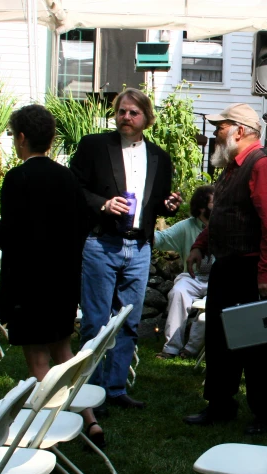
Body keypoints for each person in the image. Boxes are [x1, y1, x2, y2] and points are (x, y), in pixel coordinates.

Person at [0, 104, 102, 445]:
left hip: (28, 284)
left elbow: (11, 233)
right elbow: (83, 224)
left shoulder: (18, 178)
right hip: (63, 280)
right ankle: (91, 420)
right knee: (63, 352)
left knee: (39, 360)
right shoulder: (67, 178)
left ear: (22, 138)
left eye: (13, 137)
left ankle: (49, 431)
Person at [72, 88, 183, 410]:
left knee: (128, 322)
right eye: (122, 111)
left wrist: (170, 204)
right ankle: (90, 393)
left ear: (146, 118)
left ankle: (116, 389)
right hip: (101, 244)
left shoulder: (159, 157)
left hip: (139, 247)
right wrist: (103, 204)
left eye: (134, 112)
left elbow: (160, 204)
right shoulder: (94, 146)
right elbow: (74, 187)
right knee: (94, 321)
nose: (126, 117)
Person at [183, 103, 267, 434]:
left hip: (252, 272)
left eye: (221, 127)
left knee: (260, 347)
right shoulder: (232, 168)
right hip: (227, 269)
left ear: (239, 131)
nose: (216, 133)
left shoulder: (264, 167)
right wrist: (201, 244)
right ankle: (220, 405)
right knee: (219, 341)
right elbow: (223, 215)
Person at [154, 185, 214, 360]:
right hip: (192, 277)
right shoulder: (186, 226)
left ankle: (191, 350)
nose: (218, 205)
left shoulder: (224, 223)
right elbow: (160, 239)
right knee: (178, 292)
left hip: (217, 277)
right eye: (213, 202)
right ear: (202, 207)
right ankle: (171, 348)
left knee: (214, 301)